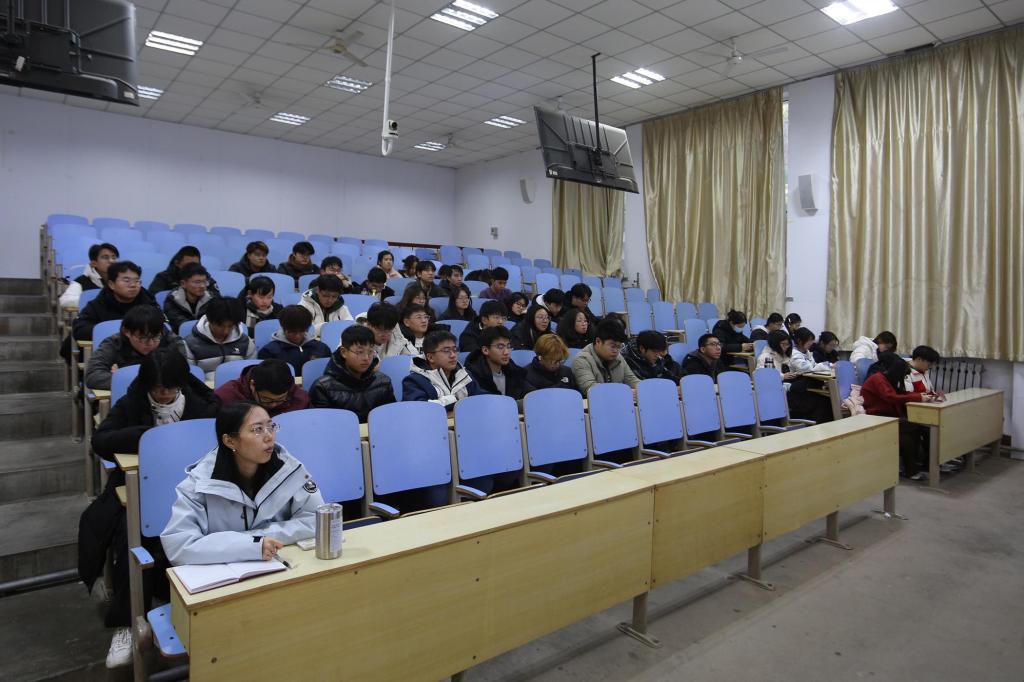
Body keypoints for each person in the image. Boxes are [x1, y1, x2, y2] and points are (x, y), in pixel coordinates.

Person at [81, 349, 218, 667]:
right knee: (129, 536)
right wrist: (147, 437)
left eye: (171, 388)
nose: (164, 395)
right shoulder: (134, 402)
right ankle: (128, 622)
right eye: (157, 389)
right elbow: (101, 440)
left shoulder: (204, 406)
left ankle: (205, 609)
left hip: (194, 489)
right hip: (143, 489)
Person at [161, 401, 324, 565]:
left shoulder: (289, 469)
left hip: (280, 563)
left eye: (271, 426)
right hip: (223, 573)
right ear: (230, 441)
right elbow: (180, 546)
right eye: (257, 429)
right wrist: (251, 545)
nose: (269, 436)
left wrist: (255, 539)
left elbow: (316, 521)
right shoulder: (199, 484)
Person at [861, 352, 936, 480]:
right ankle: (910, 470)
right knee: (911, 431)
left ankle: (915, 467)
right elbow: (891, 397)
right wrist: (918, 397)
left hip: (888, 414)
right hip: (877, 416)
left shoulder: (885, 379)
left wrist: (920, 396)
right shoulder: (878, 379)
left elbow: (900, 393)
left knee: (917, 428)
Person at [85, 305, 191, 390]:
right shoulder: (113, 344)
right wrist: (154, 381)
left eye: (156, 337)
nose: (150, 343)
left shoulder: (172, 341)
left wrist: (121, 377)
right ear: (127, 332)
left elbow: (183, 375)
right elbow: (93, 377)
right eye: (143, 338)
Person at [309, 325, 397, 421]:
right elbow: (321, 425)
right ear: (343, 352)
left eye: (370, 351)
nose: (366, 358)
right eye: (360, 352)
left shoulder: (383, 382)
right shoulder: (323, 388)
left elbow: (391, 419)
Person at [72, 261, 160, 343]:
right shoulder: (98, 304)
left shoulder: (148, 302)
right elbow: (80, 330)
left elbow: (162, 328)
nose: (133, 285)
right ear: (111, 284)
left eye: (137, 281)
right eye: (126, 281)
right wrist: (109, 330)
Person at [403, 330, 479, 410]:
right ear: (430, 357)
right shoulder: (415, 381)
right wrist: (455, 399)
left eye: (455, 350)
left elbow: (481, 399)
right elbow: (419, 409)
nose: (453, 355)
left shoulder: (464, 375)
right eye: (446, 351)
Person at [184, 296, 257, 377]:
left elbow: (251, 373)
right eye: (220, 326)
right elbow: (190, 376)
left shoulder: (245, 342)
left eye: (230, 326)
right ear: (209, 320)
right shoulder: (190, 344)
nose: (226, 331)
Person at [215, 358, 310, 416]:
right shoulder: (227, 397)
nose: (273, 405)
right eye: (266, 399)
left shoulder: (300, 398)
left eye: (280, 399)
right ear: (252, 385)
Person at [571, 318, 640, 397]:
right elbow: (591, 390)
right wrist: (624, 392)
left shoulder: (618, 357)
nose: (616, 351)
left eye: (619, 347)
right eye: (613, 346)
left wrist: (643, 389)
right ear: (598, 341)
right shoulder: (582, 360)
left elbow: (632, 380)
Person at [257, 305, 331, 374]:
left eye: (302, 331)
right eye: (292, 332)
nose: (297, 336)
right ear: (283, 328)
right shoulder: (269, 352)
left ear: (307, 329)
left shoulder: (321, 348)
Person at [464, 326, 530, 400]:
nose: (506, 352)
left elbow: (531, 394)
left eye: (508, 346)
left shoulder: (514, 372)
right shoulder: (472, 377)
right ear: (485, 350)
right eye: (500, 347)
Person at [60, 242, 118, 309]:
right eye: (105, 257)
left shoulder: (121, 281)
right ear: (94, 263)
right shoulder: (80, 282)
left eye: (113, 258)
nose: (111, 261)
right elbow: (65, 301)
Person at [163, 262, 215, 333]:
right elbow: (179, 324)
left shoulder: (211, 298)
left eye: (204, 282)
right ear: (183, 284)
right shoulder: (173, 299)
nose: (202, 286)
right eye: (197, 282)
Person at [149, 246, 218, 295]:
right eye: (188, 265)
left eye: (195, 265)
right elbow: (153, 299)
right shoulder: (163, 278)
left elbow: (217, 300)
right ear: (177, 263)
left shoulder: (206, 278)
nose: (192, 268)